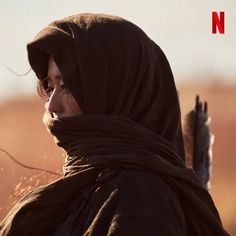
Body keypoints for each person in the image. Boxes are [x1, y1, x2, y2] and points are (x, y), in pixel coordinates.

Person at [0, 13, 229, 236]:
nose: (52, 105)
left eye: (67, 85)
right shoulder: (87, 188)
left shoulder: (141, 202)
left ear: (115, 92)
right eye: (50, 87)